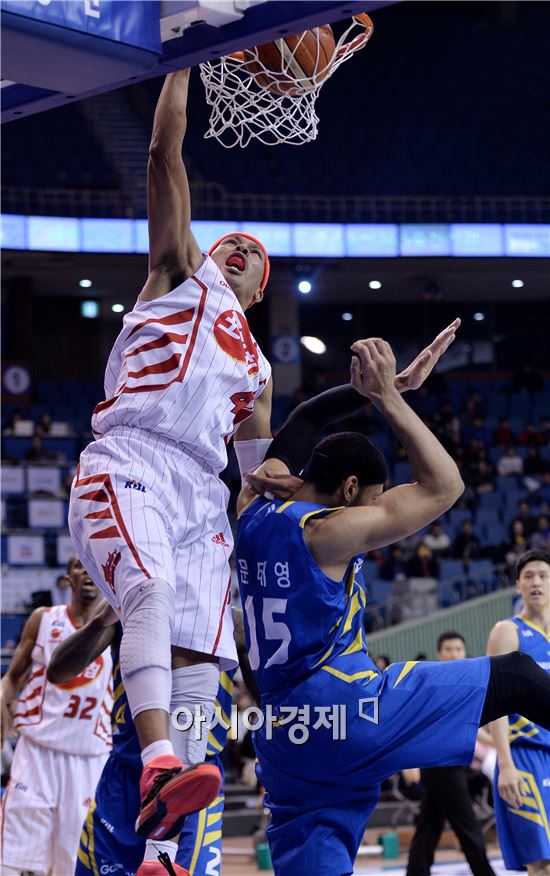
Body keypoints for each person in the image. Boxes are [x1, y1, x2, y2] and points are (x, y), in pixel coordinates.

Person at [235, 337, 550, 876]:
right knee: (519, 674)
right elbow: (444, 486)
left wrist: (381, 388)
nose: (381, 508)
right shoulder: (329, 532)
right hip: (349, 706)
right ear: (351, 488)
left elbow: (307, 417)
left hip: (285, 738)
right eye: (376, 497)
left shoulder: (250, 507)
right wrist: (388, 397)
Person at [68, 68, 274, 852]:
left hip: (203, 496)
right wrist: (185, 60)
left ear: (259, 292)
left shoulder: (258, 370)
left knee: (200, 663)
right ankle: (156, 764)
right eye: (230, 243)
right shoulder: (177, 275)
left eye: (251, 255)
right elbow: (163, 154)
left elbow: (258, 472)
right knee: (147, 589)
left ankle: (160, 851)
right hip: (136, 457)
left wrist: (387, 397)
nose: (238, 250)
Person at [47, 598, 239, 876]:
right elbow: (58, 671)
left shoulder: (229, 620)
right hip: (128, 778)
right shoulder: (133, 600)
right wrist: (102, 619)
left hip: (195, 784)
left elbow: (266, 695)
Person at [0, 557, 113, 876]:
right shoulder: (44, 620)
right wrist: (2, 696)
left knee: (75, 863)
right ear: (67, 580)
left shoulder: (118, 627)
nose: (87, 572)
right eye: (79, 566)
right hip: (38, 754)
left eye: (94, 566)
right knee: (17, 861)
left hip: (90, 760)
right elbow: (13, 676)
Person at [405, 632, 496, 876]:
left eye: (458, 649)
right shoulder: (430, 682)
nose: (453, 653)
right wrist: (409, 762)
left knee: (429, 824)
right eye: (448, 649)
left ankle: (416, 872)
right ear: (439, 653)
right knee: (467, 825)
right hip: (438, 763)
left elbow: (472, 725)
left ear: (465, 653)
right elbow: (414, 722)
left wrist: (497, 742)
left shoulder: (467, 683)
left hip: (454, 762)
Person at [486, 550, 550, 875]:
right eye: (528, 576)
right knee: (541, 863)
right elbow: (496, 704)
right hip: (524, 757)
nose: (536, 582)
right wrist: (506, 764)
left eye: (543, 575)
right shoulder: (507, 632)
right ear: (517, 586)